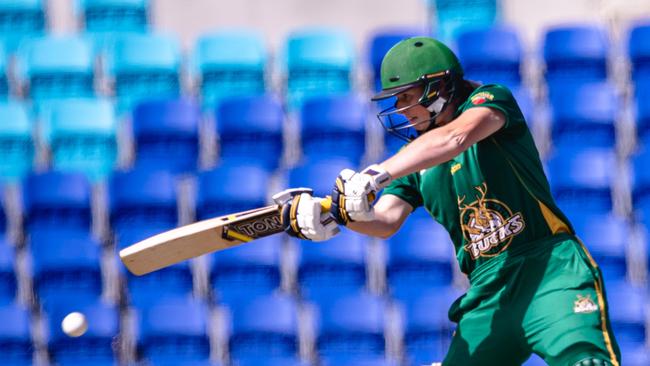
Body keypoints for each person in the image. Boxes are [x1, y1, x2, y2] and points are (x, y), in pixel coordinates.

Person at [273, 36, 621, 366]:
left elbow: (456, 137)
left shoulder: (491, 102)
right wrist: (339, 215)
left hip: (547, 269)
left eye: (405, 96)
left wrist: (377, 173)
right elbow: (386, 219)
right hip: (488, 292)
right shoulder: (415, 160)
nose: (399, 108)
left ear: (438, 87)